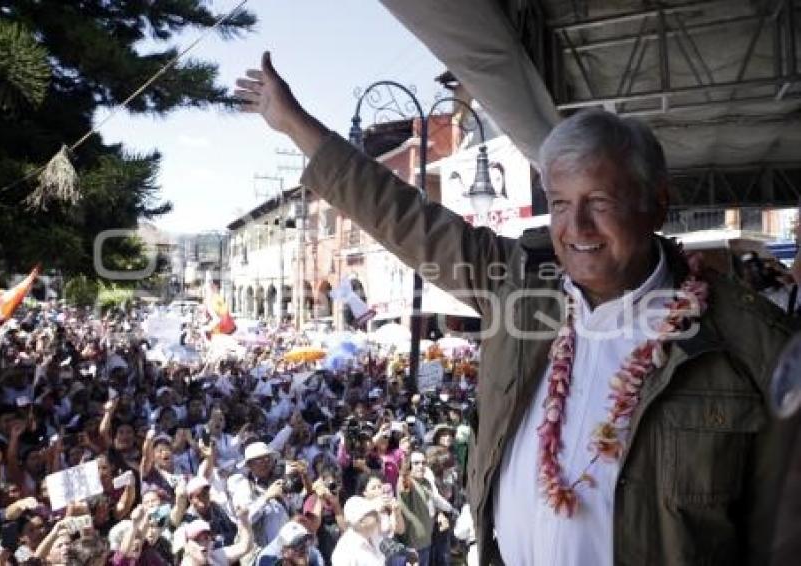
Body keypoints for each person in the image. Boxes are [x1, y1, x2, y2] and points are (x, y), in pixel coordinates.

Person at [236, 52, 799, 564]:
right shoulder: (519, 286)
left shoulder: (752, 345)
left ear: (656, 204)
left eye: (599, 202)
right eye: (559, 204)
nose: (575, 229)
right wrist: (295, 125)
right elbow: (404, 217)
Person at [331, 496, 386, 566]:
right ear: (361, 521)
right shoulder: (344, 553)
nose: (378, 516)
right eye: (374, 514)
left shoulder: (375, 534)